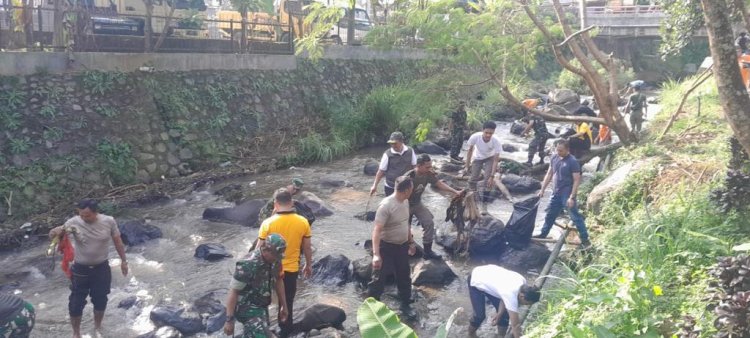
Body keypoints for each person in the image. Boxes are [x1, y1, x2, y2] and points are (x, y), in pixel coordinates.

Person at [48, 199, 128, 338]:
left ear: (96, 212)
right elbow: (57, 235)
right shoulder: (73, 222)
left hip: (101, 268)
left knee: (100, 299)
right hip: (80, 269)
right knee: (75, 303)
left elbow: (118, 242)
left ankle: (97, 327)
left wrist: (124, 261)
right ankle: (76, 333)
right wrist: (54, 232)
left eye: (87, 215)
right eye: (81, 215)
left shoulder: (109, 221)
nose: (84, 218)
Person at [256, 188, 313, 337]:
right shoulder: (302, 221)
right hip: (291, 269)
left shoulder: (267, 223)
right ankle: (286, 330)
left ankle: (265, 329)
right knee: (287, 301)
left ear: (275, 203)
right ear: (292, 202)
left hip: (269, 268)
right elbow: (307, 247)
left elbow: (259, 249)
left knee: (264, 300)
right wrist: (308, 264)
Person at [368, 176, 417, 316]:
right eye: (412, 188)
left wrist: (411, 241)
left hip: (402, 246)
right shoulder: (386, 205)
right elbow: (376, 230)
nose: (412, 191)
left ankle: (406, 304)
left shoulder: (405, 201)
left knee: (404, 275)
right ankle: (371, 308)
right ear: (407, 190)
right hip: (386, 247)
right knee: (378, 278)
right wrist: (376, 254)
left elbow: (405, 223)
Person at [224, 233, 288, 338]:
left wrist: (283, 306)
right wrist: (229, 320)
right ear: (265, 250)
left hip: (262, 306)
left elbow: (278, 281)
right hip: (245, 308)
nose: (277, 258)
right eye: (276, 255)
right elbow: (233, 291)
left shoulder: (276, 260)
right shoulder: (247, 264)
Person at [533, 140, 591, 249]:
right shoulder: (554, 158)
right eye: (557, 150)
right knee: (550, 214)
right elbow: (550, 173)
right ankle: (543, 234)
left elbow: (577, 180)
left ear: (567, 150)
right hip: (556, 192)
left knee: (575, 217)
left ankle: (585, 240)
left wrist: (572, 197)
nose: (558, 152)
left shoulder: (573, 161)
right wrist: (542, 189)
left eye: (561, 150)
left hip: (567, 194)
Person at [404, 154, 462, 259]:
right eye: (427, 167)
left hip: (417, 204)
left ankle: (427, 251)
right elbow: (399, 194)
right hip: (404, 205)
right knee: (405, 227)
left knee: (429, 222)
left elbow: (439, 183)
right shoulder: (409, 177)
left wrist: (455, 191)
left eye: (430, 166)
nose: (429, 169)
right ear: (418, 165)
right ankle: (408, 246)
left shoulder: (428, 174)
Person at [467, 265, 540, 338]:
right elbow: (516, 325)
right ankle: (470, 334)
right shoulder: (511, 294)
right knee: (479, 316)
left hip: (489, 277)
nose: (525, 305)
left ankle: (500, 336)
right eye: (526, 303)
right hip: (476, 278)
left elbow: (504, 297)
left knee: (504, 314)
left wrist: (499, 314)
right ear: (522, 296)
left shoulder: (523, 282)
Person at [464, 121, 504, 208]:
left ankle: (484, 203)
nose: (488, 135)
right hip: (478, 157)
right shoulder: (475, 137)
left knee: (488, 180)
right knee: (473, 178)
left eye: (491, 133)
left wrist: (492, 176)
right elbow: (470, 151)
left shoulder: (496, 141)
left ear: (494, 132)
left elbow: (496, 160)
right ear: (482, 130)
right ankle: (473, 198)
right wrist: (467, 166)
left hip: (490, 158)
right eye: (486, 132)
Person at [370, 132, 417, 196]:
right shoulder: (387, 154)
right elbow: (381, 171)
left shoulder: (410, 151)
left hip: (406, 187)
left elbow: (415, 166)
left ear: (401, 141)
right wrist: (374, 186)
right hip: (391, 187)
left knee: (406, 205)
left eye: (395, 143)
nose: (393, 145)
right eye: (391, 143)